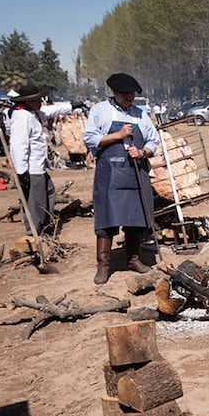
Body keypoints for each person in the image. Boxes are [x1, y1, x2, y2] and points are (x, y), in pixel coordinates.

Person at [83, 73, 160, 285]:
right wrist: (117, 136)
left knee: (136, 217)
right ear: (115, 93)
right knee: (106, 218)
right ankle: (103, 265)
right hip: (110, 172)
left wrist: (143, 152)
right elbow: (89, 138)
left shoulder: (140, 114)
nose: (130, 98)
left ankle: (134, 259)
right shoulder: (100, 110)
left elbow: (154, 140)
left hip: (135, 171)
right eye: (126, 94)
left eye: (132, 94)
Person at [8, 84, 56, 236]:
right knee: (36, 203)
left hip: (39, 166)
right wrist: (22, 172)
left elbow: (51, 110)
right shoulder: (22, 117)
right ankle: (35, 233)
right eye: (37, 99)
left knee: (49, 194)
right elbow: (19, 146)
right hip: (31, 169)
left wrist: (72, 106)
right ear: (29, 101)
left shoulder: (32, 114)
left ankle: (45, 228)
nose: (41, 102)